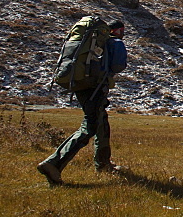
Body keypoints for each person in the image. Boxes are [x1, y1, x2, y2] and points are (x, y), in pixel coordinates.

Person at [37, 20, 128, 185]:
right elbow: (118, 65)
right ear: (117, 30)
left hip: (80, 84)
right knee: (90, 126)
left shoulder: (86, 43)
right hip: (95, 86)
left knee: (101, 121)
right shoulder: (114, 42)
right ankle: (53, 163)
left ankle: (103, 163)